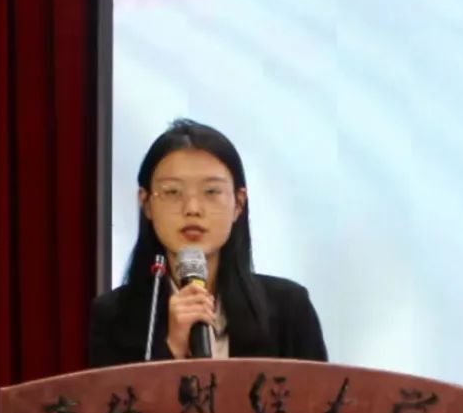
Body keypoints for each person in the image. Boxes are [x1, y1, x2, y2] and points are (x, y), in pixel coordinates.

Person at [89, 119, 328, 367]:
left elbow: (323, 392)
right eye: (172, 192)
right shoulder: (113, 317)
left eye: (211, 192)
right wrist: (171, 348)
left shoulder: (289, 308)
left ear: (238, 203)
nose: (192, 209)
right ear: (146, 203)